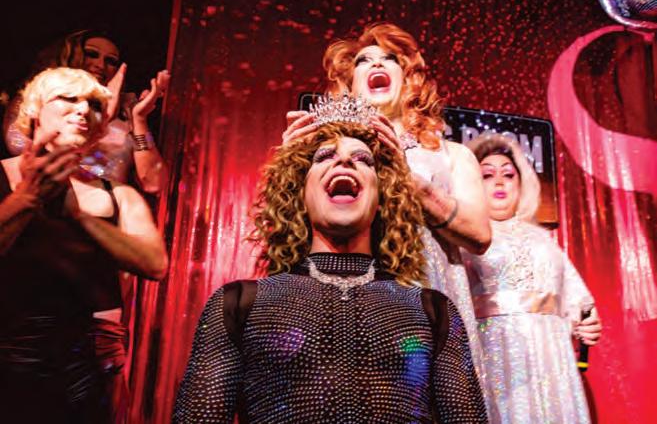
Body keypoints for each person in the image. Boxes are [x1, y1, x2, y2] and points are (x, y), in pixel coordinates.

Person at [173, 97, 487, 423]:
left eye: (363, 160)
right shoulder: (240, 304)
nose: (345, 162)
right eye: (324, 157)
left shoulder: (432, 311)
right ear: (299, 191)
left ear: (382, 196)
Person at [282, 22, 491, 393]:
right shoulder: (330, 154)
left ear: (409, 79)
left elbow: (479, 235)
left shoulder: (452, 155)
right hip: (346, 296)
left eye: (390, 59)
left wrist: (408, 179)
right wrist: (289, 166)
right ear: (349, 85)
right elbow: (288, 232)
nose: (377, 64)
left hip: (429, 300)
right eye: (364, 61)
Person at [0, 67, 168, 423]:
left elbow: (155, 264)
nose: (82, 110)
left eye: (93, 105)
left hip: (84, 369)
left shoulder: (118, 194)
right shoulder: (3, 175)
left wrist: (81, 217)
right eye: (68, 98)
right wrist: (26, 199)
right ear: (35, 109)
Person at [463, 134, 602, 423]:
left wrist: (587, 323)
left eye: (508, 174)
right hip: (497, 355)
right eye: (487, 175)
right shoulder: (464, 241)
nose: (499, 182)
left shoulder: (544, 242)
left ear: (521, 183)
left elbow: (578, 302)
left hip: (552, 356)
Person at [2, 29, 169, 193]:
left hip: (109, 205)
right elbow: (18, 146)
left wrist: (139, 119)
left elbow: (154, 183)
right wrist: (103, 120)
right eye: (92, 54)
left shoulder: (128, 110)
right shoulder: (44, 96)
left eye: (110, 61)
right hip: (47, 199)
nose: (100, 65)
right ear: (71, 54)